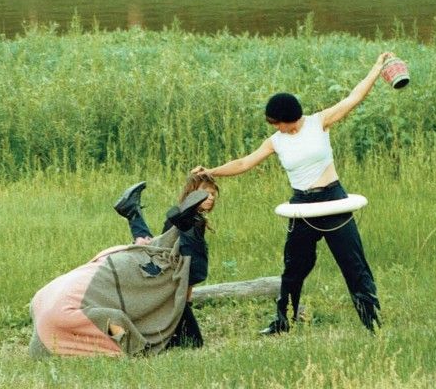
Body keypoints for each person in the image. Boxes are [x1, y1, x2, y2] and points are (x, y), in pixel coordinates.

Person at [192, 52, 392, 335]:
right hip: (302, 205)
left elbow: (354, 97)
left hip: (333, 199)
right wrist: (210, 171)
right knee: (294, 268)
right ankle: (283, 321)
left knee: (354, 264)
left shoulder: (319, 122)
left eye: (277, 122)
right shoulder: (276, 141)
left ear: (289, 118)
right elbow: (244, 163)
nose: (275, 127)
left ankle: (372, 324)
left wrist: (377, 67)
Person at [28, 181, 213, 358]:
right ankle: (157, 220)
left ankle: (173, 224)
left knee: (171, 264)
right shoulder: (48, 310)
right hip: (109, 265)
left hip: (112, 273)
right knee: (164, 257)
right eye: (207, 193)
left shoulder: (56, 326)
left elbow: (115, 324)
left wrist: (137, 346)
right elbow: (114, 322)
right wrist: (138, 349)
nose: (211, 197)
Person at [113, 174, 219, 348]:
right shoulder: (189, 222)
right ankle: (133, 213)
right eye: (205, 193)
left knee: (151, 246)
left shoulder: (194, 221)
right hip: (167, 284)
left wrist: (186, 301)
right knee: (193, 343)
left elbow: (185, 266)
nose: (211, 197)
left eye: (213, 194)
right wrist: (184, 301)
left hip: (168, 279)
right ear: (191, 195)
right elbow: (181, 265)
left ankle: (133, 213)